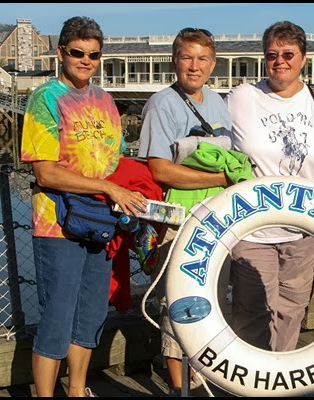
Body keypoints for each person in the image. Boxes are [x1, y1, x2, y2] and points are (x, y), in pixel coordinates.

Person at [20, 16, 148, 397]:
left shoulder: (106, 101)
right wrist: (107, 187)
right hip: (57, 225)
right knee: (57, 317)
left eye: (93, 55)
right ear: (61, 52)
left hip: (102, 222)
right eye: (78, 53)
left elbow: (116, 161)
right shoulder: (45, 98)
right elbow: (46, 173)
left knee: (91, 313)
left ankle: (77, 390)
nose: (85, 61)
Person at [224, 20, 314, 352]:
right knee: (252, 312)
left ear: (303, 58)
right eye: (272, 54)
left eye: (288, 54)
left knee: (291, 312)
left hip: (304, 232)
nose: (280, 61)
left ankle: (280, 379)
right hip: (253, 231)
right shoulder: (242, 97)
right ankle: (252, 385)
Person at [137, 27, 232, 396]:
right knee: (176, 300)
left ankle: (201, 373)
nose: (194, 66)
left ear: (213, 64)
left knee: (213, 297)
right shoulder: (162, 104)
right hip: (176, 220)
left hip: (216, 219)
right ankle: (179, 386)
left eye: (202, 58)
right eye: (187, 57)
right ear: (175, 60)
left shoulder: (219, 103)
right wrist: (221, 177)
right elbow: (159, 169)